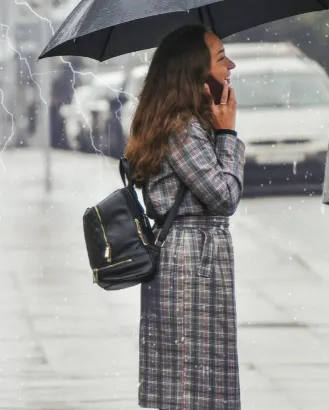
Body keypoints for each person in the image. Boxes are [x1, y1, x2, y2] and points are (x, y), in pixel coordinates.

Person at [124, 24, 243, 410]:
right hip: (192, 261)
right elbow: (224, 197)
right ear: (196, 69)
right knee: (193, 385)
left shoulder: (179, 121)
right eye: (222, 58)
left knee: (191, 378)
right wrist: (227, 135)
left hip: (192, 256)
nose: (232, 65)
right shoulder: (182, 127)